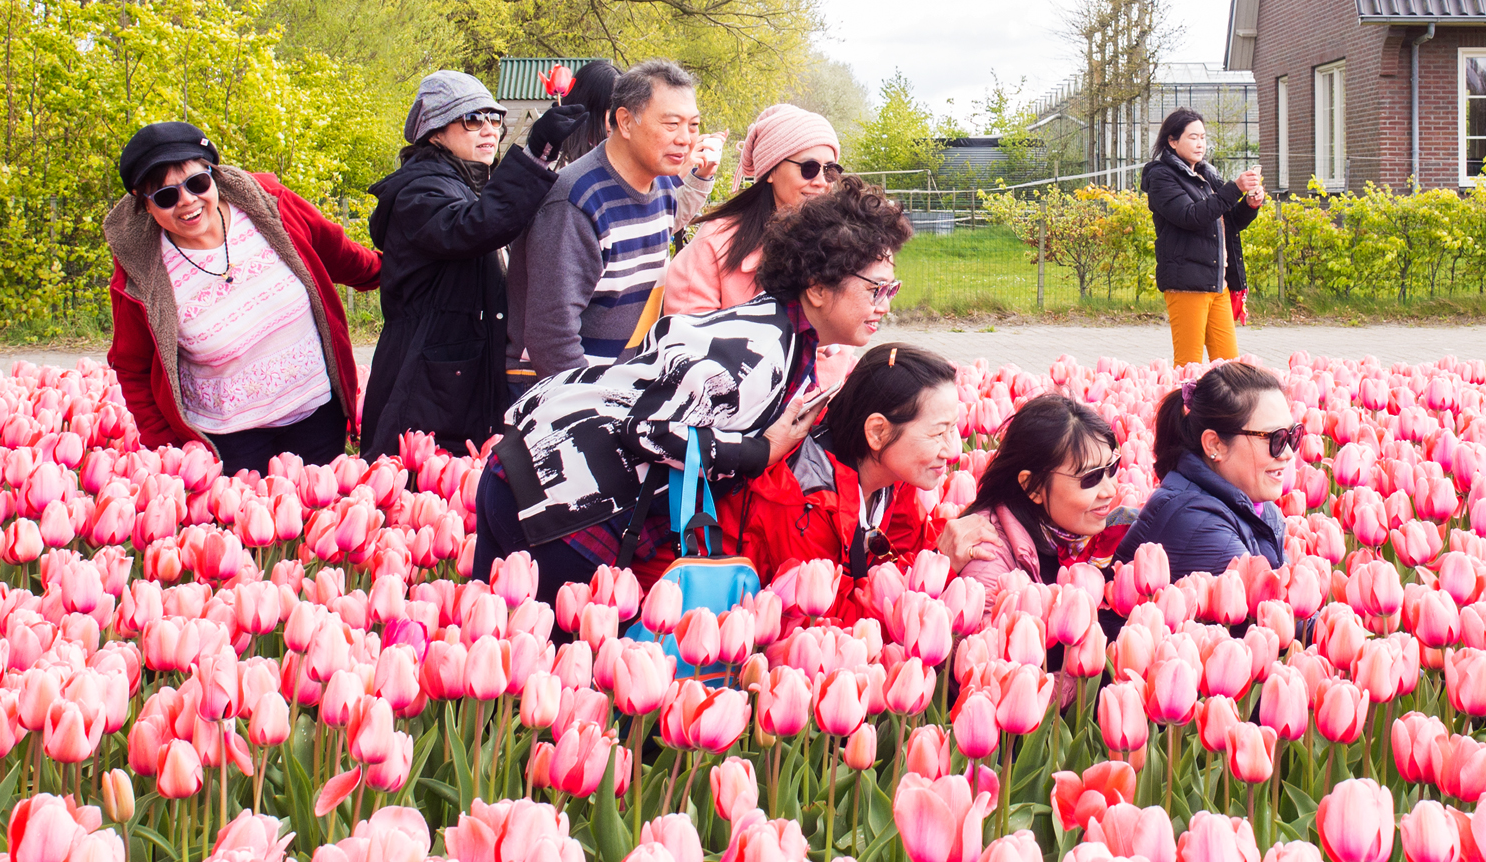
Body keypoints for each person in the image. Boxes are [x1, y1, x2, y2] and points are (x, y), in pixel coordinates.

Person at [473, 175, 912, 600]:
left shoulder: (777, 330)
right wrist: (761, 451)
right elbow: (646, 429)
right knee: (547, 664)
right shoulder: (760, 354)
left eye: (891, 289)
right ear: (817, 288)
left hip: (527, 475)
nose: (885, 305)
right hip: (557, 501)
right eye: (876, 289)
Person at [103, 121, 381, 471]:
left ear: (213, 175)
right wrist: (169, 449)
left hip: (316, 415)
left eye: (197, 183)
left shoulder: (270, 207)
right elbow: (133, 367)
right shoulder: (141, 274)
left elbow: (338, 253)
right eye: (166, 195)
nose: (187, 201)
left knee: (320, 521)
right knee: (249, 525)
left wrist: (400, 274)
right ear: (146, 207)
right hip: (230, 441)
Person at [359, 71, 584, 459]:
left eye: (494, 119)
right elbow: (475, 226)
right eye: (471, 119)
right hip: (426, 378)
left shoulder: (467, 183)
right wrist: (535, 152)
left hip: (455, 374)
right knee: (419, 495)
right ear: (435, 132)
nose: (488, 130)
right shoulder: (418, 191)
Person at [723, 344, 965, 625]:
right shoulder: (802, 497)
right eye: (938, 432)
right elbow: (825, 621)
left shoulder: (894, 475)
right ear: (878, 431)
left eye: (953, 428)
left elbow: (899, 557)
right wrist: (942, 562)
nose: (952, 450)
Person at [508, 60, 719, 380]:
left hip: (616, 384)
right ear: (625, 121)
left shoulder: (660, 186)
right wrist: (597, 409)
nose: (686, 139)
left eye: (693, 125)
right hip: (554, 395)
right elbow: (551, 339)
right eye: (671, 124)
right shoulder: (575, 202)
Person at [956, 392, 1135, 614]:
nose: (1110, 490)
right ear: (1032, 486)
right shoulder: (989, 563)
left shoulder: (1072, 532)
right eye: (1091, 477)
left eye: (1112, 468)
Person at [661, 104, 842, 316]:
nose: (822, 182)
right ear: (771, 170)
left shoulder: (839, 240)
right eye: (808, 168)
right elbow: (686, 333)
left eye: (831, 171)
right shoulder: (716, 241)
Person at [1118, 361, 1291, 579]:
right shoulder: (1197, 524)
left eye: (1292, 435)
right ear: (1215, 445)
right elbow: (1269, 608)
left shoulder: (1262, 510)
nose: (1288, 453)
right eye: (1275, 438)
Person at [1141, 109, 1264, 366]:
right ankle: (1181, 408)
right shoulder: (1161, 176)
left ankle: (1222, 408)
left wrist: (1249, 204)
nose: (1200, 144)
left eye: (1203, 137)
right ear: (1173, 141)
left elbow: (1228, 222)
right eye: (1193, 137)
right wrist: (1234, 188)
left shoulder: (1207, 175)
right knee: (1189, 368)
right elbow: (1191, 216)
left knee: (1230, 368)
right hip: (1186, 283)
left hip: (1216, 282)